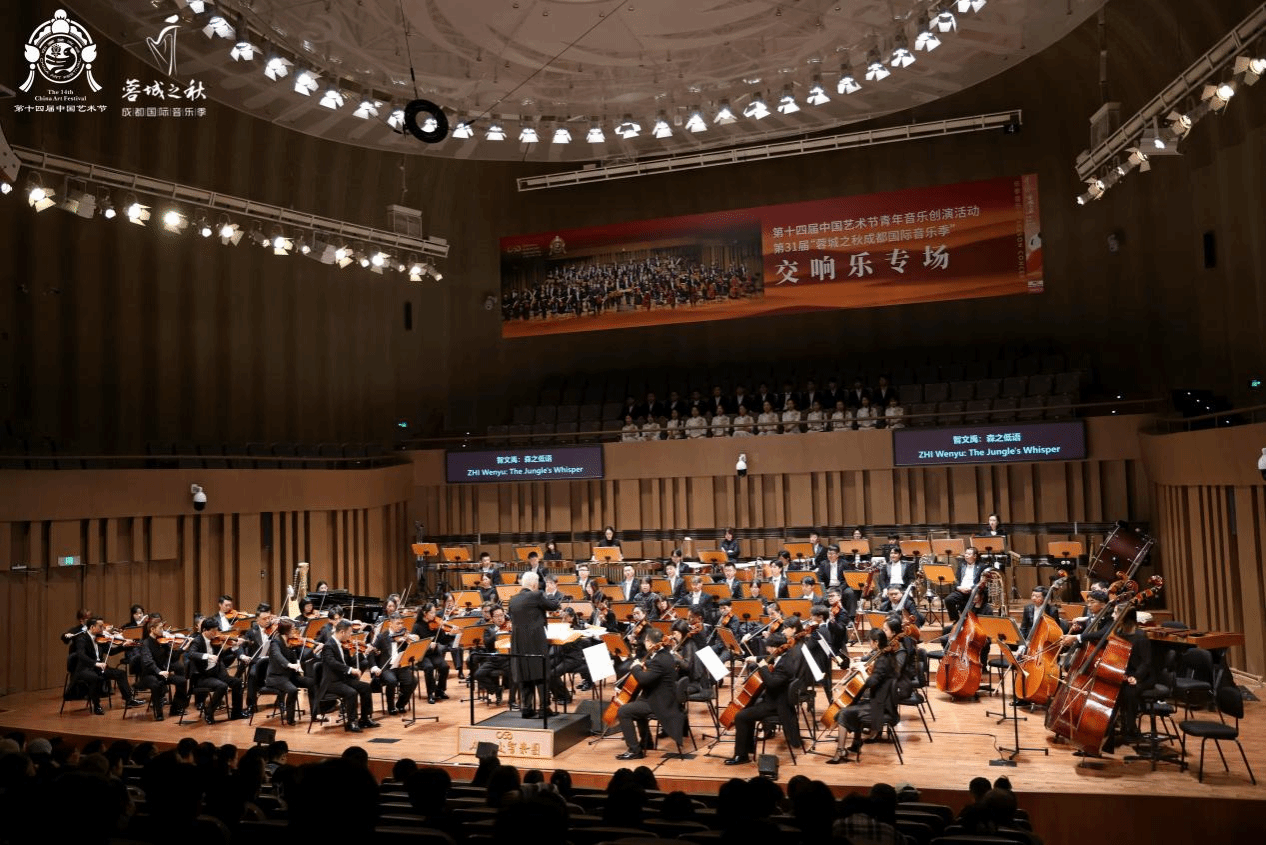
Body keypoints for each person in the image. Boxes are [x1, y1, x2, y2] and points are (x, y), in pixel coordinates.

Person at [724, 631, 804, 765]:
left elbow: (771, 683)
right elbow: (769, 658)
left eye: (768, 647)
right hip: (776, 699)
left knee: (741, 716)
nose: (767, 650)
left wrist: (763, 668)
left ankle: (741, 755)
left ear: (775, 648)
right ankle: (748, 747)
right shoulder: (784, 656)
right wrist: (755, 658)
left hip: (776, 705)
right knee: (749, 707)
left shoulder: (785, 665)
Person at [827, 628, 902, 763]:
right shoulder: (886, 657)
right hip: (883, 702)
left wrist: (862, 670)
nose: (869, 644)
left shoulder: (882, 660)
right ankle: (856, 744)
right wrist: (863, 665)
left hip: (880, 708)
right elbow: (878, 675)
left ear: (876, 642)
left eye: (870, 642)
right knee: (856, 704)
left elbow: (871, 682)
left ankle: (841, 751)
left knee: (844, 712)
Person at [615, 628, 685, 759]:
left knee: (623, 711)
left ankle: (634, 750)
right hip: (661, 696)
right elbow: (654, 665)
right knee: (637, 705)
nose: (644, 642)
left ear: (651, 643)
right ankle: (647, 743)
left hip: (660, 702)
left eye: (646, 640)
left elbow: (643, 679)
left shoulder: (659, 660)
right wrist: (644, 664)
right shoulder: (665, 655)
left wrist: (636, 667)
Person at [509, 571, 561, 719]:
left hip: (518, 642)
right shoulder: (536, 595)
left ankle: (527, 709)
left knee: (524, 673)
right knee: (541, 673)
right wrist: (550, 593)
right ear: (534, 584)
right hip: (535, 640)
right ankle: (544, 709)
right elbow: (553, 606)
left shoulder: (513, 599)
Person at [320, 620, 380, 732]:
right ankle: (351, 722)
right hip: (332, 682)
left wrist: (363, 654)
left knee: (366, 687)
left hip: (343, 679)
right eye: (349, 633)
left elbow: (349, 661)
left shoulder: (343, 644)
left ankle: (365, 718)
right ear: (342, 632)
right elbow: (332, 663)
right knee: (351, 692)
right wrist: (350, 670)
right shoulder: (328, 646)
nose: (350, 635)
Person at [186, 617, 245, 723]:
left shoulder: (215, 641)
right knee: (222, 686)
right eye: (212, 631)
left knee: (237, 682)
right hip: (202, 676)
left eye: (216, 630)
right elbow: (191, 654)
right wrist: (208, 656)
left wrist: (233, 647)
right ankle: (209, 713)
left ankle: (237, 713)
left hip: (216, 672)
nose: (215, 633)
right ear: (204, 630)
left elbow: (222, 656)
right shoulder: (197, 641)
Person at [265, 618, 317, 725]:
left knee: (312, 683)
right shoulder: (275, 642)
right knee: (292, 690)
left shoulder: (292, 642)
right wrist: (290, 665)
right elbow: (278, 656)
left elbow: (304, 656)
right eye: (293, 629)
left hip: (290, 676)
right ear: (286, 631)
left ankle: (315, 715)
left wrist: (315, 650)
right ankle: (290, 718)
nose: (295, 631)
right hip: (276, 677)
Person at [136, 617, 187, 720]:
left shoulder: (162, 642)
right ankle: (159, 714)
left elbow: (172, 658)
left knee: (182, 681)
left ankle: (175, 709)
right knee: (156, 684)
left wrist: (182, 649)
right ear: (152, 629)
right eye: (160, 628)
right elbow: (148, 662)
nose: (162, 630)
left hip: (162, 673)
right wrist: (159, 671)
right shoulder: (146, 643)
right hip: (149, 675)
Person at [370, 614, 418, 716]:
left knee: (413, 681)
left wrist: (408, 641)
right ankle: (391, 707)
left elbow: (410, 650)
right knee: (392, 681)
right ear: (390, 624)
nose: (401, 626)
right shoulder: (382, 636)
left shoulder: (403, 635)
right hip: (386, 668)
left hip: (400, 666)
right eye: (398, 623)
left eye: (402, 623)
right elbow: (371, 652)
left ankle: (401, 704)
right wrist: (374, 667)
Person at [944, 547, 986, 622]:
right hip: (961, 589)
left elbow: (982, 581)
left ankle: (972, 622)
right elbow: (956, 579)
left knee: (974, 606)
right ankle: (956, 620)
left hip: (973, 591)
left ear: (975, 556)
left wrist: (972, 588)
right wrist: (959, 588)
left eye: (969, 554)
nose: (966, 555)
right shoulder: (961, 565)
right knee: (948, 600)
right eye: (966, 553)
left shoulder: (981, 566)